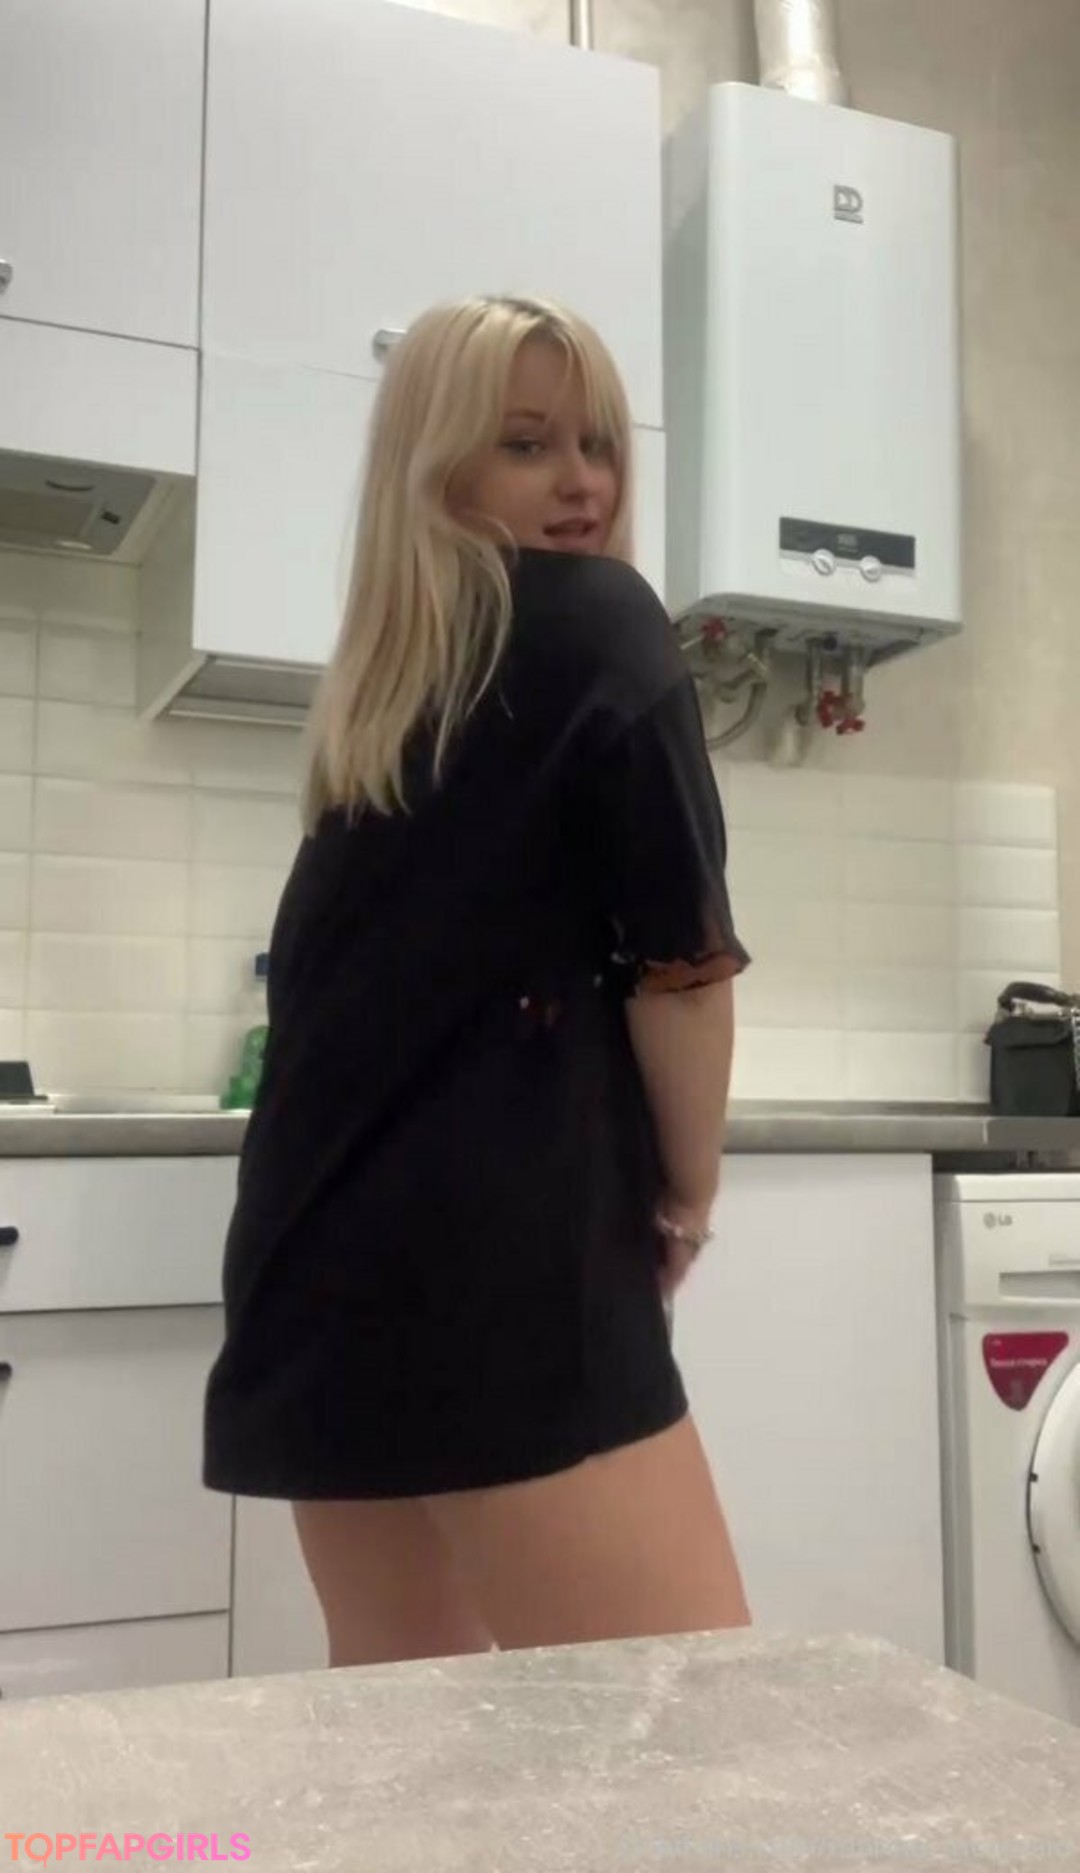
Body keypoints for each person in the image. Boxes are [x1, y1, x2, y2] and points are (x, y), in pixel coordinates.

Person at [203, 293, 751, 1666]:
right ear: (435, 471)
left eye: (597, 442)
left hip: (313, 1277)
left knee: (418, 1746)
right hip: (506, 1275)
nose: (582, 481)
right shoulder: (599, 620)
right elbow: (682, 969)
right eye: (526, 444)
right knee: (694, 1734)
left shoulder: (382, 715)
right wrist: (686, 1193)